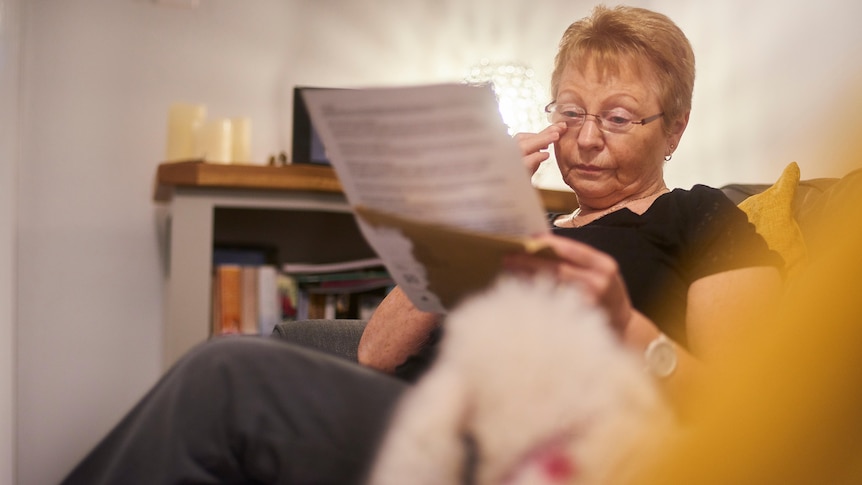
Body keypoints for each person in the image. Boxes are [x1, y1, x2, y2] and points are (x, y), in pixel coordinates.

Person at [61, 5, 783, 485]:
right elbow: (376, 353)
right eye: (570, 112)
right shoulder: (524, 223)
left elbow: (755, 413)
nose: (587, 138)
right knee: (220, 387)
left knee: (224, 375)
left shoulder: (703, 219)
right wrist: (466, 215)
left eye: (619, 117)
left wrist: (628, 325)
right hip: (414, 418)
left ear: (675, 128)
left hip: (518, 449)